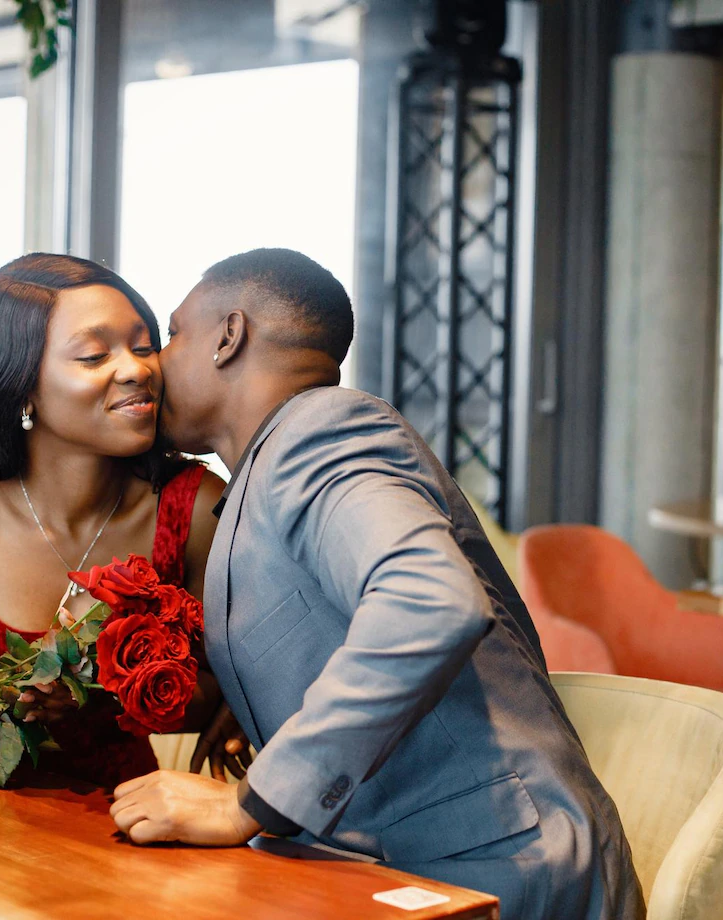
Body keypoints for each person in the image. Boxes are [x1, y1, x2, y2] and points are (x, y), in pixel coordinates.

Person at [109, 249, 644, 919]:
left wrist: (254, 801)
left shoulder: (322, 432)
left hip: (506, 871)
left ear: (228, 336)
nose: (158, 361)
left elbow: (430, 602)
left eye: (175, 332)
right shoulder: (268, 469)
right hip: (419, 867)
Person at [0, 253, 237, 788]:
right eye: (94, 355)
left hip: (116, 826)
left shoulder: (197, 508)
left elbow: (215, 693)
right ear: (20, 385)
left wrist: (109, 699)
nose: (138, 368)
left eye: (142, 346)